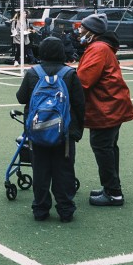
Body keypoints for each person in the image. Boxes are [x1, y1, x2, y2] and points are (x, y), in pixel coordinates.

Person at [15, 37, 85, 223]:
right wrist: (77, 131)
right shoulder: (69, 74)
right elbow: (79, 104)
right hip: (64, 133)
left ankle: (40, 209)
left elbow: (21, 98)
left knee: (40, 171)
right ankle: (65, 210)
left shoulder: (33, 73)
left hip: (37, 132)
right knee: (64, 171)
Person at [75, 13, 133, 208]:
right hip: (112, 105)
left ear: (92, 32)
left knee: (102, 147)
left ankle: (113, 192)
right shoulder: (101, 47)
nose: (79, 31)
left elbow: (83, 80)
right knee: (109, 147)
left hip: (106, 107)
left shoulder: (98, 49)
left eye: (82, 28)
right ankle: (111, 187)